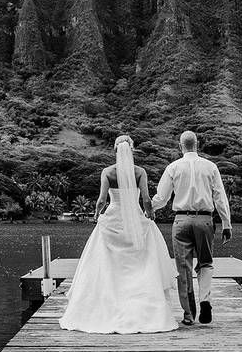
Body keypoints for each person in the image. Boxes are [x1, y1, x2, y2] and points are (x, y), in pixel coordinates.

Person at [58, 135, 178, 334]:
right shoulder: (140, 172)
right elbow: (147, 200)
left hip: (112, 220)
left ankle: (106, 305)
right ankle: (142, 308)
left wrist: (97, 215)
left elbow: (101, 200)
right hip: (136, 221)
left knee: (109, 265)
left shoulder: (107, 172)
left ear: (115, 150)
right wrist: (150, 214)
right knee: (139, 266)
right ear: (132, 150)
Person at [151, 130, 232, 326]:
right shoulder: (211, 167)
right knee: (206, 263)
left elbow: (161, 199)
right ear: (198, 145)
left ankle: (188, 315)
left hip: (181, 221)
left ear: (181, 146)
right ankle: (205, 300)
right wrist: (226, 223)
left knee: (183, 268)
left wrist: (145, 209)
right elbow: (220, 197)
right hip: (204, 220)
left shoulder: (173, 167)